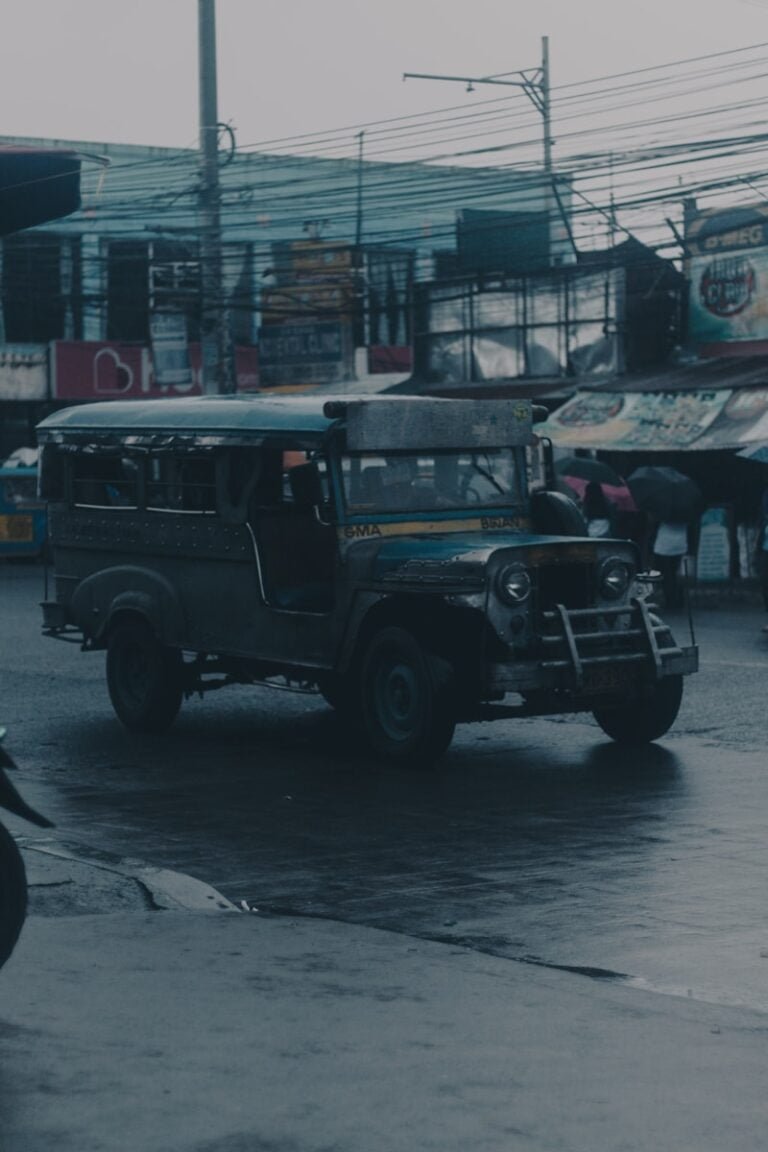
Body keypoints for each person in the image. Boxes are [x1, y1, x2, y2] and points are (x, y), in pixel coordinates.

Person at [652, 519, 689, 611]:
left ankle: (670, 600)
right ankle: (678, 600)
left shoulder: (664, 512)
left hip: (663, 545)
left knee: (666, 575)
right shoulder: (685, 512)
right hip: (680, 543)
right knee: (675, 573)